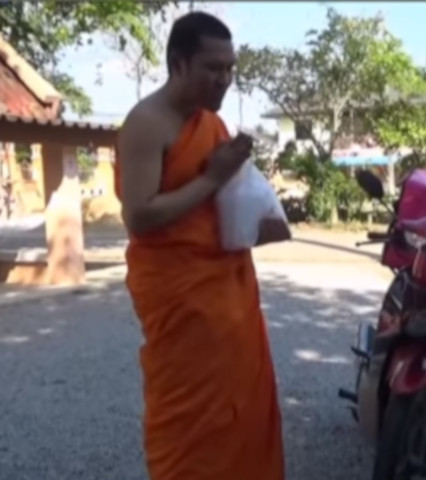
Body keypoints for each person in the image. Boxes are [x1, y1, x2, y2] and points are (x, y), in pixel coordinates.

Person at [114, 11, 285, 480]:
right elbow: (141, 215)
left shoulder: (212, 124)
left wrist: (260, 217)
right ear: (179, 63)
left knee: (242, 408)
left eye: (230, 68)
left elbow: (224, 202)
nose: (224, 79)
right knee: (190, 419)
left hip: (227, 291)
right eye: (214, 67)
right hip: (181, 297)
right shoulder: (147, 123)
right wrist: (214, 176)